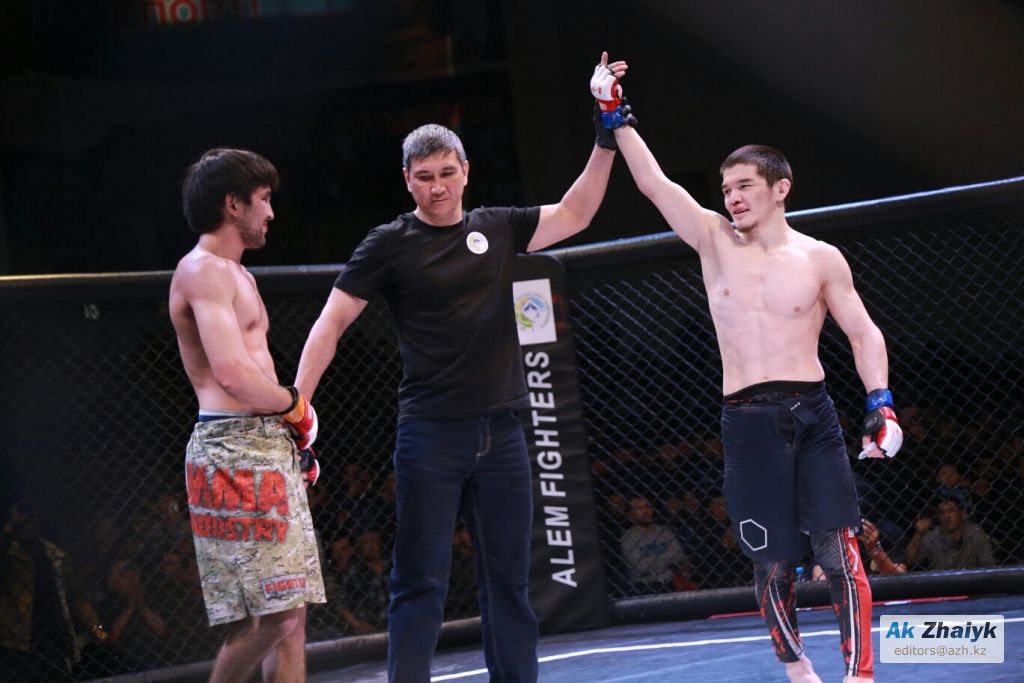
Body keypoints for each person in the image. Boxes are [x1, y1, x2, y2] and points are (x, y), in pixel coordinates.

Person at [296, 56, 626, 683]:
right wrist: (297, 406)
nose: (438, 187)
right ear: (407, 180)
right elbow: (330, 322)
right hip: (431, 435)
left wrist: (605, 133)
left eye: (447, 173)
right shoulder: (389, 243)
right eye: (425, 177)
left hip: (502, 432)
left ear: (466, 171)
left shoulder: (496, 228)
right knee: (419, 580)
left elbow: (577, 212)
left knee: (510, 582)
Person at [590, 57, 904, 683]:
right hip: (745, 419)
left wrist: (881, 401)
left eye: (743, 186)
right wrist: (613, 114)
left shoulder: (820, 257)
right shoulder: (713, 240)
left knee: (838, 548)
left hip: (812, 415)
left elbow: (863, 331)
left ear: (780, 187)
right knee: (772, 560)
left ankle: (860, 673)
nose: (731, 197)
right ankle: (796, 668)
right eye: (726, 188)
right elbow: (654, 184)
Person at [168, 148, 325, 683]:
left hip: (262, 441)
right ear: (233, 204)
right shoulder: (201, 271)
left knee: (291, 612)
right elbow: (232, 374)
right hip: (232, 446)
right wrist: (295, 407)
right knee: (275, 616)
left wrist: (290, 431)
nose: (271, 212)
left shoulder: (236, 275)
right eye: (264, 199)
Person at [905, 493, 995, 570]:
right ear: (938, 516)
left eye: (951, 511)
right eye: (942, 512)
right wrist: (919, 534)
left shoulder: (975, 533)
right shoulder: (932, 536)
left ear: (962, 514)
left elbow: (988, 564)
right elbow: (911, 560)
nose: (947, 516)